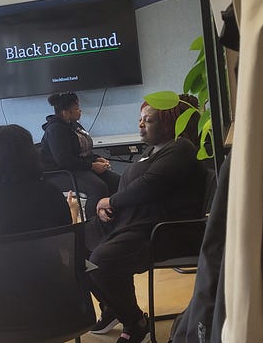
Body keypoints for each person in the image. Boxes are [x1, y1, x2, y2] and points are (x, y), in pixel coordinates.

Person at [87, 99, 208, 343]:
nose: (141, 124)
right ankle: (112, 307)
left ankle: (135, 322)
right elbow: (133, 188)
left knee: (102, 260)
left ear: (168, 123)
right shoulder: (151, 151)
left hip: (162, 231)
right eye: (140, 119)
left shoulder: (180, 148)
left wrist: (110, 202)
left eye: (148, 120)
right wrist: (109, 207)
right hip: (134, 223)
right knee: (77, 245)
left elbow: (148, 186)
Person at [0, 125, 78, 340]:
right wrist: (73, 213)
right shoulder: (52, 194)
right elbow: (66, 248)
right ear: (32, 154)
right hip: (52, 300)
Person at [40, 92, 121, 221]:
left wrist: (95, 158)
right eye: (76, 109)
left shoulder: (73, 125)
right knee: (98, 188)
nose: (80, 111)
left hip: (78, 167)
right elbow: (64, 160)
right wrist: (91, 166)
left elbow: (81, 151)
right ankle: (92, 226)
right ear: (66, 112)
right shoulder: (55, 130)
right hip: (59, 172)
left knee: (118, 181)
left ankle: (113, 220)